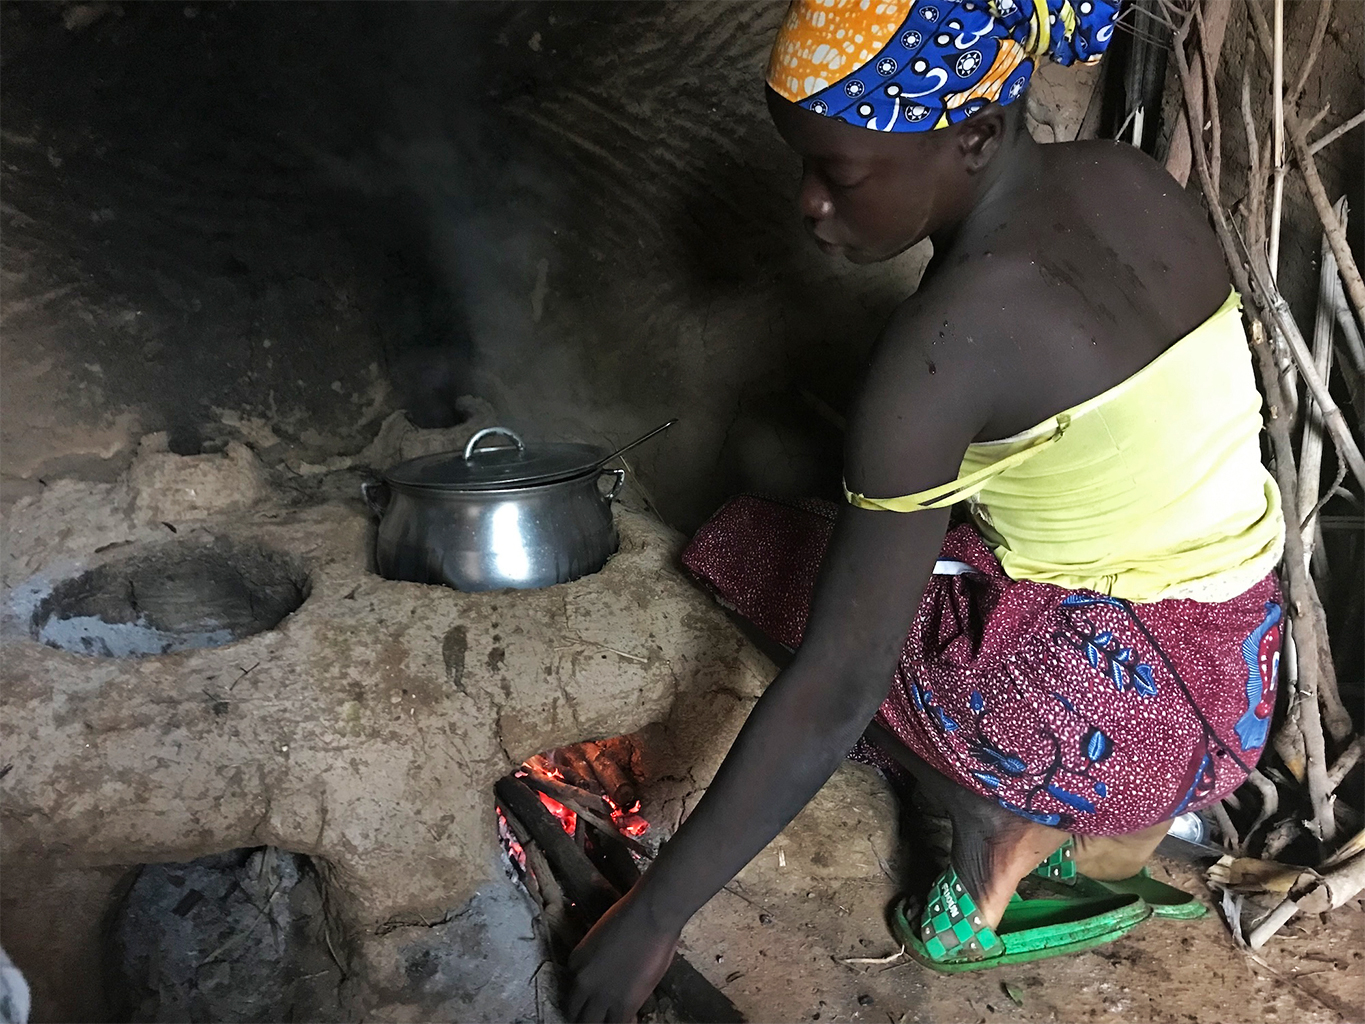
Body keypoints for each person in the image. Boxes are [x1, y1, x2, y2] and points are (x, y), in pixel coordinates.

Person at [568, 0, 1285, 1018]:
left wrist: (651, 918)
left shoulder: (940, 353)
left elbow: (837, 687)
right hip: (1241, 672)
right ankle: (1108, 800)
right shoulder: (1128, 182)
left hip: (1124, 727)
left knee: (748, 548)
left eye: (840, 173)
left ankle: (993, 817)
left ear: (976, 136)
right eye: (804, 167)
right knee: (908, 537)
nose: (809, 204)